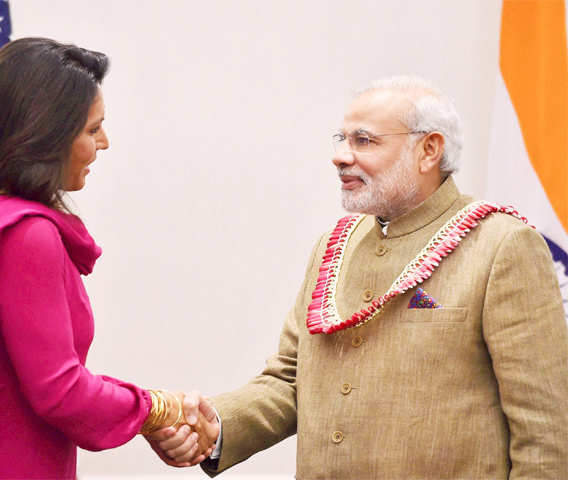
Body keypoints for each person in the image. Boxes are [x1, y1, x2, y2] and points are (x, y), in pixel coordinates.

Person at [148, 76, 568, 479]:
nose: (341, 156)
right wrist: (216, 427)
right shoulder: (335, 246)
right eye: (342, 139)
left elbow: (544, 429)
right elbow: (291, 381)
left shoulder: (501, 246)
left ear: (429, 150)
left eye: (363, 140)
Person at [0, 37, 218, 479]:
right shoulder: (27, 234)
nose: (104, 142)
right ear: (46, 135)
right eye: (91, 128)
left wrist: (147, 412)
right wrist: (161, 407)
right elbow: (60, 391)